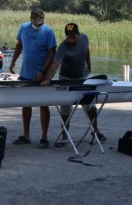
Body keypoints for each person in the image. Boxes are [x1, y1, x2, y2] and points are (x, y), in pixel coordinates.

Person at [42, 23, 105, 146]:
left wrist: (89, 65)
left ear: (78, 34)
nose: (71, 39)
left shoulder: (85, 38)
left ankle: (96, 130)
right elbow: (55, 64)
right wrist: (48, 79)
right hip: (66, 78)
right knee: (65, 107)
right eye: (68, 36)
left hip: (83, 76)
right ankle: (64, 135)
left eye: (73, 36)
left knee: (89, 104)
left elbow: (86, 51)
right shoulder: (63, 48)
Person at [9, 8, 57, 149]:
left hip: (42, 75)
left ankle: (44, 137)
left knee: (43, 104)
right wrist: (13, 62)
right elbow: (19, 45)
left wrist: (43, 71)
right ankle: (26, 135)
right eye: (35, 18)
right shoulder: (24, 27)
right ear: (30, 18)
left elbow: (52, 53)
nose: (37, 20)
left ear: (43, 18)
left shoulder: (48, 32)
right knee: (26, 104)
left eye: (40, 18)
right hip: (25, 73)